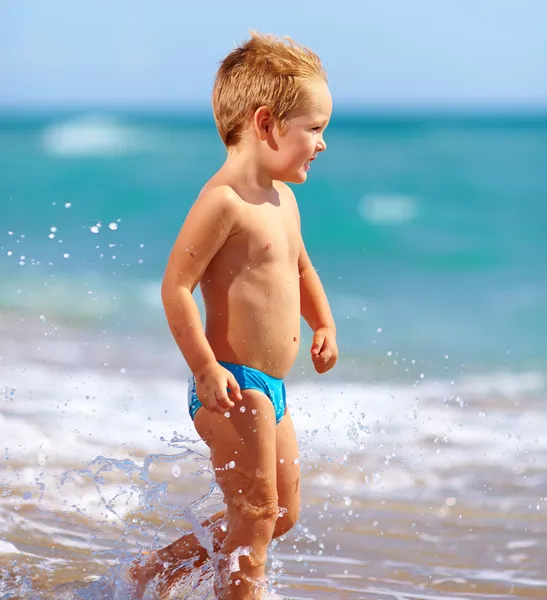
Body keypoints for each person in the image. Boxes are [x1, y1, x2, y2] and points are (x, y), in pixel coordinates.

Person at [129, 31, 337, 599]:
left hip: (273, 388)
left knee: (281, 514)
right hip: (231, 382)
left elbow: (301, 270)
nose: (322, 144)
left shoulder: (283, 200)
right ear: (267, 123)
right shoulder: (223, 201)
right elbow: (176, 288)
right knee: (257, 512)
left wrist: (325, 324)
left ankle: (153, 571)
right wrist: (204, 368)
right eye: (314, 129)